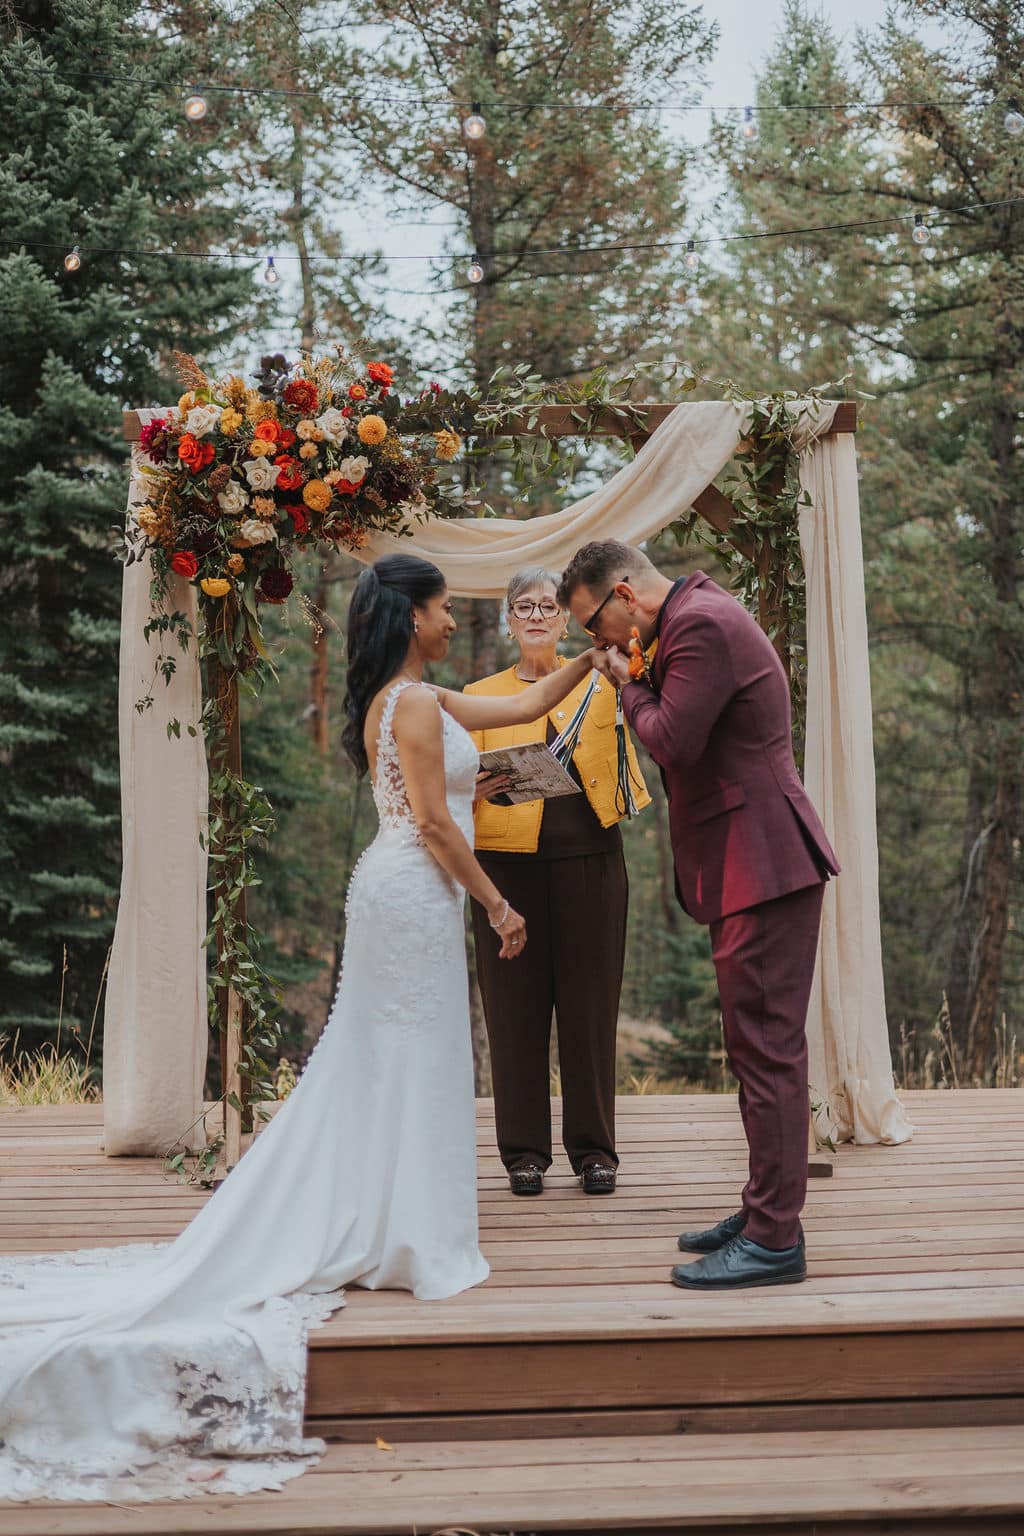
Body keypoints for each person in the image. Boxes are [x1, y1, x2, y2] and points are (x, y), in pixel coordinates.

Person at [0, 554, 601, 1502]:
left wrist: (593, 663)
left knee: (402, 1063)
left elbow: (523, 709)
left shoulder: (415, 698)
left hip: (412, 898)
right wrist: (499, 905)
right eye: (444, 609)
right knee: (404, 1059)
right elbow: (437, 828)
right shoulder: (410, 704)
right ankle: (404, 1231)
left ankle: (400, 1221)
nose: (453, 621)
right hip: (414, 894)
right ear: (411, 617)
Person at [558, 540, 839, 1292]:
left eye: (594, 625)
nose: (598, 642)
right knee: (756, 1050)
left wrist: (627, 683)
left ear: (624, 594)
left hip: (763, 863)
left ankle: (775, 1240)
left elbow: (673, 741)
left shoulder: (700, 624)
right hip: (751, 862)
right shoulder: (693, 618)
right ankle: (765, 1211)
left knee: (768, 1053)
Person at [465, 566, 650, 1197]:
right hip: (503, 870)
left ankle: (595, 1152)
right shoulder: (480, 695)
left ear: (567, 620)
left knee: (590, 1011)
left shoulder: (602, 679)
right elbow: (455, 783)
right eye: (524, 606)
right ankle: (523, 1154)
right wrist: (471, 787)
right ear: (508, 620)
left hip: (593, 863)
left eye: (548, 606)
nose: (537, 615)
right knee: (512, 1014)